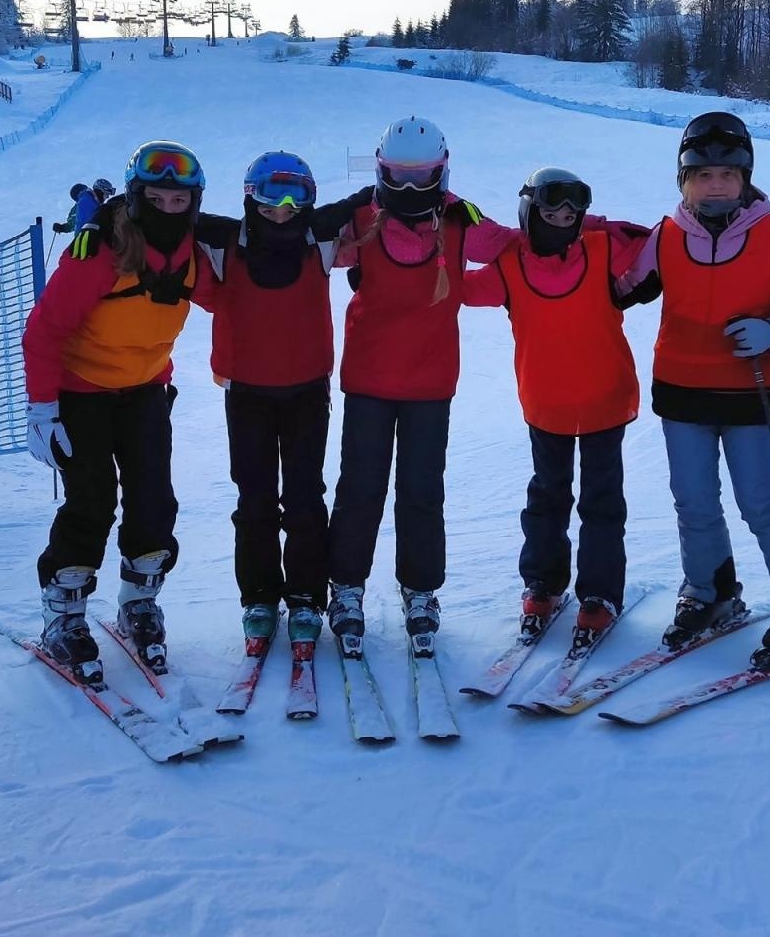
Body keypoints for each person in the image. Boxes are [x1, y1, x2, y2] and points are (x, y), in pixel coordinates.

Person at [619, 112, 770, 668]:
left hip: (752, 393)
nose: (714, 184)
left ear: (744, 178)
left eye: (726, 174)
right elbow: (621, 287)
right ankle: (710, 594)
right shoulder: (666, 235)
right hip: (682, 390)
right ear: (683, 180)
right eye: (701, 175)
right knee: (693, 502)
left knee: (762, 503)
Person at [20, 140, 213, 681]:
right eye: (157, 198)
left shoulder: (195, 250)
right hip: (81, 394)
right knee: (91, 502)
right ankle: (64, 613)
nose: (169, 209)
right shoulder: (99, 250)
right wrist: (43, 408)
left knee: (154, 500)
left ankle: (139, 602)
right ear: (135, 196)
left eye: (180, 201)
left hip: (146, 391)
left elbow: (229, 299)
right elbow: (43, 331)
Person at [325, 117, 516, 656]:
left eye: (422, 176)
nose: (409, 189)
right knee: (359, 488)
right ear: (381, 171)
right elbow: (300, 247)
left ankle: (421, 591)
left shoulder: (459, 219)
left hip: (431, 383)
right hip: (368, 379)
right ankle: (346, 588)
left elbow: (521, 244)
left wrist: (585, 226)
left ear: (442, 171)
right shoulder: (361, 218)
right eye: (398, 177)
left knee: (421, 490)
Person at [464, 167, 649, 649]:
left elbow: (657, 245)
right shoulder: (510, 264)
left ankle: (600, 593)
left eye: (573, 214)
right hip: (547, 406)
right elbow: (457, 289)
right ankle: (543, 583)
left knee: (602, 502)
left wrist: (600, 228)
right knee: (547, 498)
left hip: (605, 400)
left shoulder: (602, 250)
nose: (563, 221)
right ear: (530, 213)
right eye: (551, 212)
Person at [194, 152, 367, 660]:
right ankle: (260, 599)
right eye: (270, 202)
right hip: (245, 393)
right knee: (254, 500)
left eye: (294, 203)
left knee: (305, 498)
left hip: (307, 392)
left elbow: (382, 200)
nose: (282, 212)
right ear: (251, 198)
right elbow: (160, 215)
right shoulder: (222, 240)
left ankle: (307, 598)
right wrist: (103, 211)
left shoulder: (322, 236)